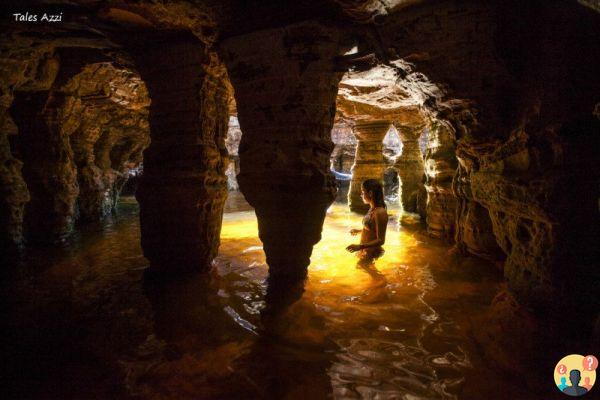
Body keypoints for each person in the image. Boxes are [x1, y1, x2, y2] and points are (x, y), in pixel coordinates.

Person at [346, 179, 388, 261]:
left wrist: (359, 246)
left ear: (370, 193)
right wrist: (358, 231)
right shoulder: (372, 209)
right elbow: (372, 230)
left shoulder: (380, 212)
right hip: (364, 250)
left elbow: (381, 240)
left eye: (363, 191)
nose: (361, 195)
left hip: (371, 253)